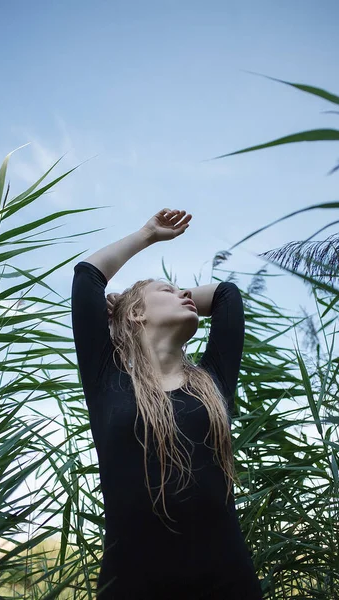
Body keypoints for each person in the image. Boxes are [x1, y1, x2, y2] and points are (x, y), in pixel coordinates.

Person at [71, 208, 263, 599]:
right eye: (168, 291)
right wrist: (147, 235)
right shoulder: (107, 381)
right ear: (137, 314)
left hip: (226, 580)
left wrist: (166, 299)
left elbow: (227, 296)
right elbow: (88, 275)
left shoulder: (211, 381)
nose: (184, 296)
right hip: (133, 583)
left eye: (185, 293)